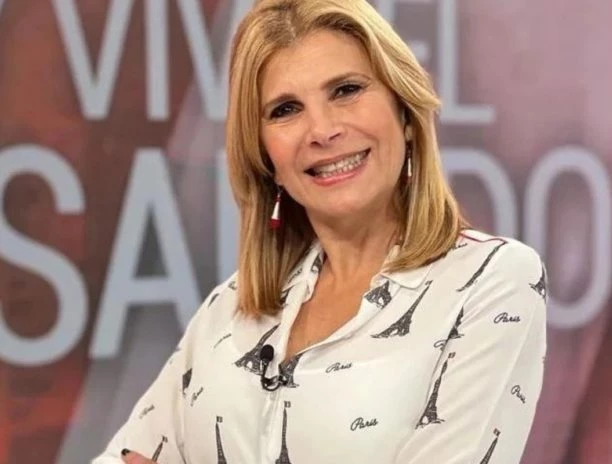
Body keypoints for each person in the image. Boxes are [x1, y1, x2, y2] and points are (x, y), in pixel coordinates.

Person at [93, 0, 547, 462]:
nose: (323, 130)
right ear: (266, 157)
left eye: (346, 90)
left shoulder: (492, 282)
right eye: (285, 109)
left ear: (405, 114)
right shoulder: (228, 309)